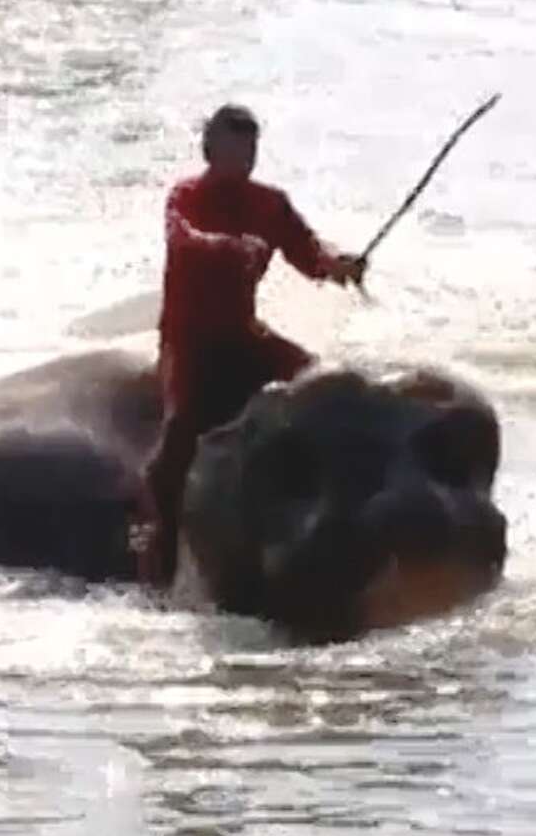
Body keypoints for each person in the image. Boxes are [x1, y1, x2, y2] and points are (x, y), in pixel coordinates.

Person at [137, 103, 366, 588]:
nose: (245, 158)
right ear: (210, 150)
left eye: (251, 148)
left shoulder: (270, 203)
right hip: (189, 338)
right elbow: (184, 238)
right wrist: (228, 246)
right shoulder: (185, 195)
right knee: (180, 428)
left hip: (243, 333)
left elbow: (308, 253)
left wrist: (338, 265)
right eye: (234, 147)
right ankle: (158, 539)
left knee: (322, 385)